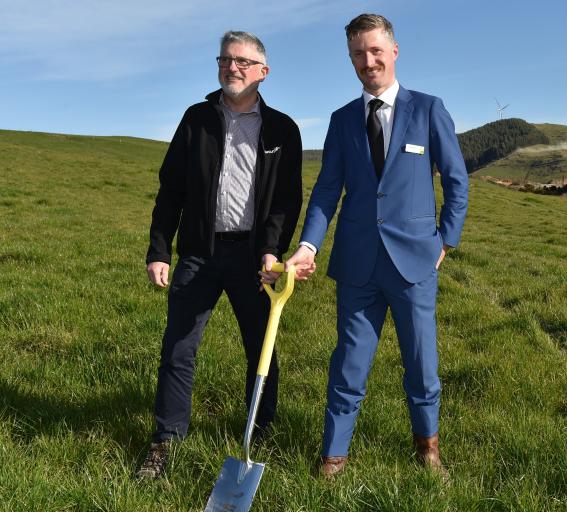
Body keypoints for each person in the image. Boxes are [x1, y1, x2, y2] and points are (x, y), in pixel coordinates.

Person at [285, 13, 468, 478]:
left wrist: (446, 239)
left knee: (421, 364)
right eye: (358, 54)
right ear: (350, 59)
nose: (368, 61)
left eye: (375, 51)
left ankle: (427, 449)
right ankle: (334, 456)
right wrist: (308, 245)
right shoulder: (342, 120)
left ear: (394, 50)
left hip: (415, 263)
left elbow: (456, 180)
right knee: (348, 365)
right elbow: (327, 190)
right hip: (357, 263)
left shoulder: (428, 109)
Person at [138, 30, 302, 479]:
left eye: (243, 62)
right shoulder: (196, 119)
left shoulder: (283, 129)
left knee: (261, 347)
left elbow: (288, 200)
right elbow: (170, 190)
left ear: (263, 72)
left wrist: (272, 251)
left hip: (254, 258)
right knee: (179, 348)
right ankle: (165, 440)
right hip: (198, 253)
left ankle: (261, 433)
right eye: (226, 60)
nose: (233, 68)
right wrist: (159, 251)